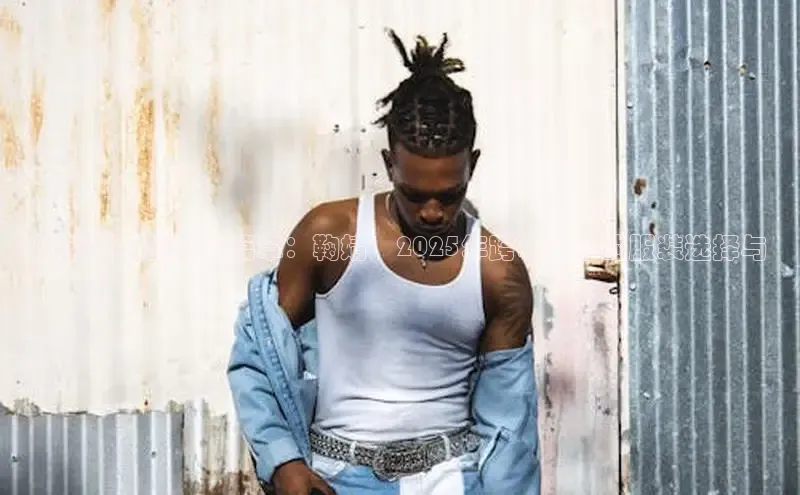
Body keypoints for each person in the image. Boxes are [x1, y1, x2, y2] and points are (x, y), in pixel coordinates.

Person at [227, 29, 541, 495]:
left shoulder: (499, 273)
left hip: (451, 480)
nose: (432, 212)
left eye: (449, 195)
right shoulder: (327, 236)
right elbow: (258, 352)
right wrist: (283, 462)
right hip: (334, 479)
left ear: (472, 165)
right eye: (414, 194)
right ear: (389, 163)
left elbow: (509, 428)